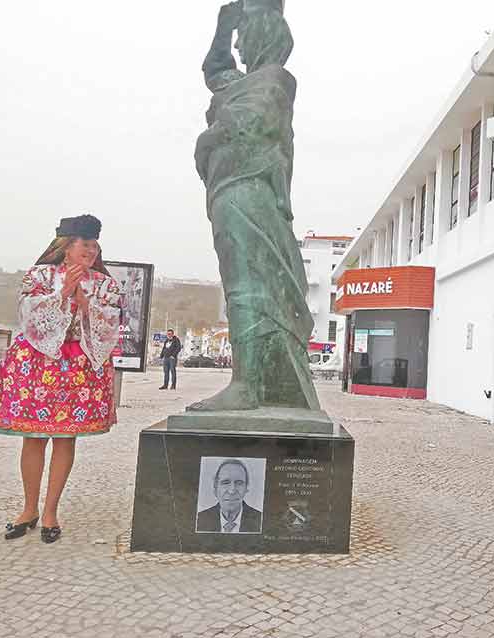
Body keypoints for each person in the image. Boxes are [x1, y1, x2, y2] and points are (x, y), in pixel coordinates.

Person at [193, 0, 320, 411]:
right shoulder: (245, 82)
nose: (238, 47)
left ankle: (246, 385)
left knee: (246, 285)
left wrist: (206, 139)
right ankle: (253, 381)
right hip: (229, 191)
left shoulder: (273, 81)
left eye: (242, 36)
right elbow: (215, 72)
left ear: (261, 33)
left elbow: (250, 127)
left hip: (246, 192)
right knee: (242, 283)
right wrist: (223, 26)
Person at [0, 215, 121, 544]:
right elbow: (28, 314)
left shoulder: (105, 283)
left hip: (78, 367)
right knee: (33, 437)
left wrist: (84, 303)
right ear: (66, 246)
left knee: (65, 438)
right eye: (85, 244)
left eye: (95, 245)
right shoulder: (40, 275)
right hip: (39, 366)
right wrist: (63, 293)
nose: (92, 250)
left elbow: (110, 322)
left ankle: (50, 511)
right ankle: (28, 508)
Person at [196, 459, 263, 533]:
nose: (232, 491)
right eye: (226, 483)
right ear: (215, 488)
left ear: (246, 488)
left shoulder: (260, 520)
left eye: (239, 483)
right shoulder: (199, 520)